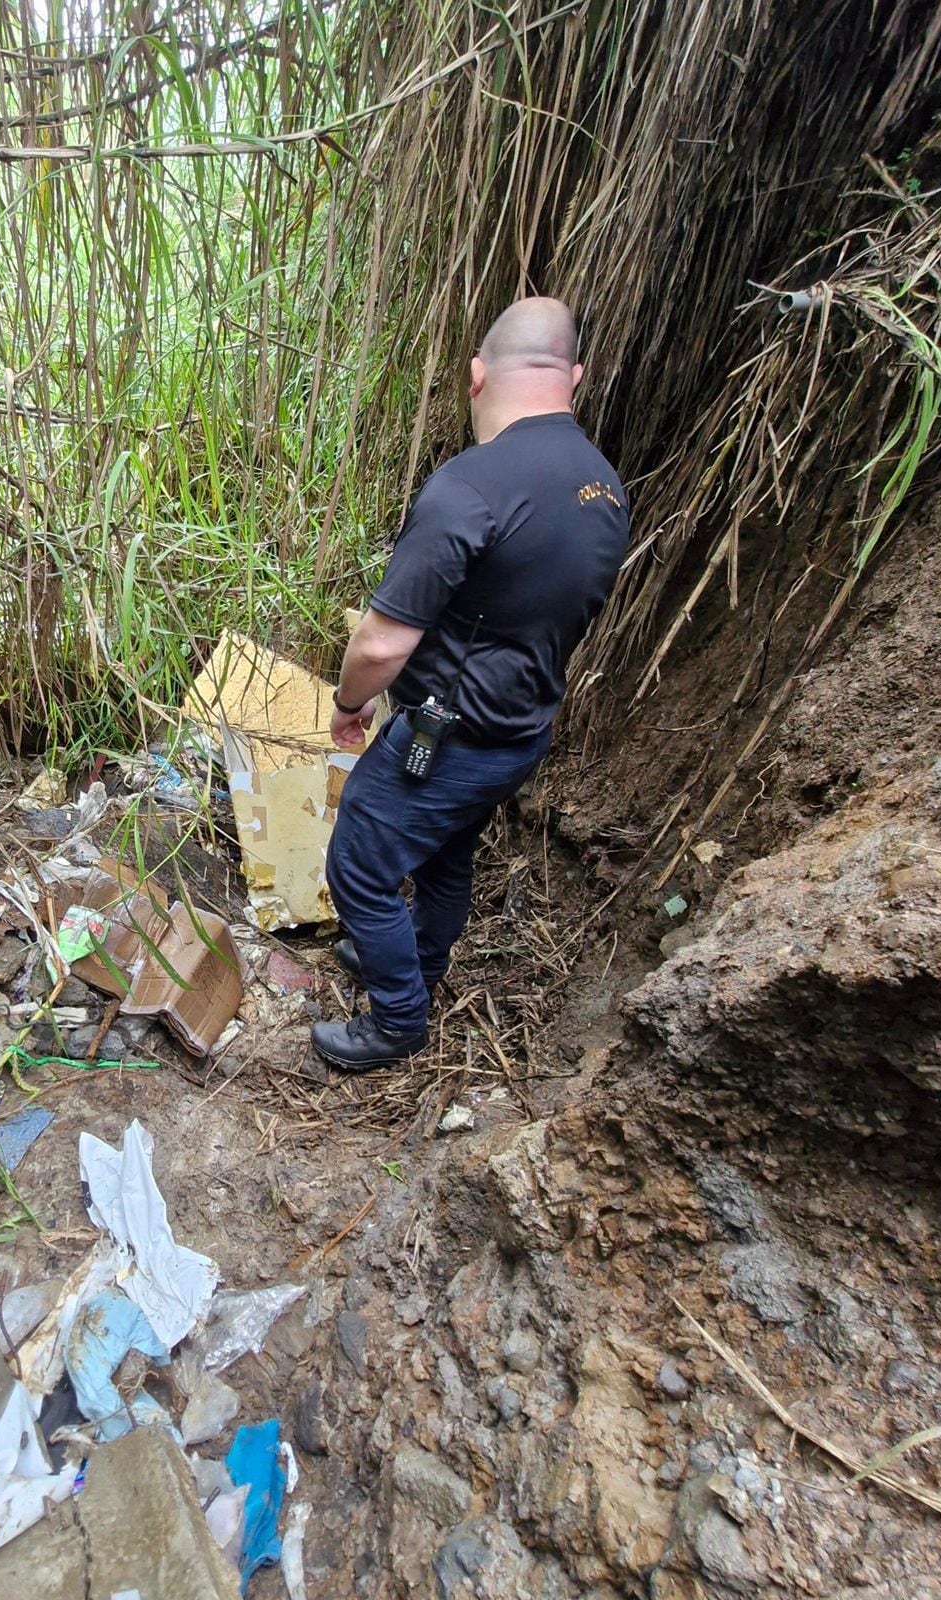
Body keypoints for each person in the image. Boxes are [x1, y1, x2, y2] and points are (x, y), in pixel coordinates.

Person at [311, 296, 629, 1071]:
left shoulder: (473, 486)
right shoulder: (603, 485)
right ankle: (418, 964)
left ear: (477, 375)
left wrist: (350, 706)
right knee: (447, 852)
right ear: (574, 376)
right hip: (518, 733)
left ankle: (397, 1020)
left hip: (446, 733)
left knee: (358, 862)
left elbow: (383, 642)